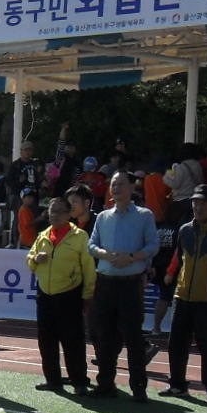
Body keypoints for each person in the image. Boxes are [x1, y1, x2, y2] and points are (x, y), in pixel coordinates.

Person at [159, 184, 207, 401]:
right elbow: (179, 259)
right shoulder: (184, 230)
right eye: (195, 202)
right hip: (182, 297)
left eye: (202, 202)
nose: (197, 206)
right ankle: (177, 385)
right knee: (176, 344)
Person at [86, 169, 157, 400]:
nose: (116, 188)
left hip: (130, 284)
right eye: (113, 184)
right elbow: (92, 245)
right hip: (105, 283)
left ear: (132, 188)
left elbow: (153, 245)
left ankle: (138, 387)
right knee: (104, 337)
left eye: (121, 184)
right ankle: (105, 384)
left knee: (134, 338)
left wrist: (132, 257)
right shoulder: (103, 217)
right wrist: (106, 255)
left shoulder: (144, 215)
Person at [27, 195, 91, 393]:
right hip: (45, 294)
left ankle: (79, 381)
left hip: (69, 294)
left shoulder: (80, 236)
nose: (53, 215)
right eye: (51, 211)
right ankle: (53, 380)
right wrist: (36, 258)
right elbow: (29, 260)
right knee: (46, 340)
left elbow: (88, 267)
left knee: (73, 341)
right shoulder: (43, 235)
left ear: (68, 214)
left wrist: (88, 294)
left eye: (58, 211)